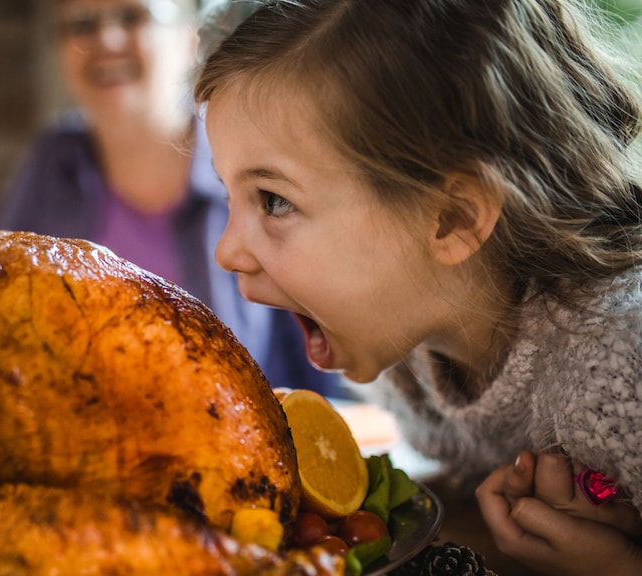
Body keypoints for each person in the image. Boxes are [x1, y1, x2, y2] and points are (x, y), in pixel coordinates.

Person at [193, 0, 642, 574]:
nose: (226, 252)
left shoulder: (621, 361)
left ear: (453, 219)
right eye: (228, 194)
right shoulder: (407, 356)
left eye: (274, 200)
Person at [0, 0, 342, 396]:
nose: (106, 40)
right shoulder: (52, 161)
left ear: (188, 40)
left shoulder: (257, 160)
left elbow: (330, 370)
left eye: (132, 17)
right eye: (83, 24)